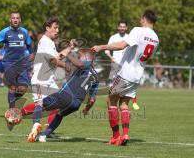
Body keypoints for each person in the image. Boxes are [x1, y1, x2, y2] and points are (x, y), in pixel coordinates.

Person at [91, 9, 159, 146]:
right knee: (124, 104)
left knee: (110, 100)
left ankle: (115, 137)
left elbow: (121, 45)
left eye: (141, 18)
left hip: (125, 73)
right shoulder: (156, 38)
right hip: (137, 75)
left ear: (144, 19)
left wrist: (102, 47)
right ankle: (125, 134)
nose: (140, 20)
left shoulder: (138, 30)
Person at [21, 48, 98, 143]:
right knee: (59, 114)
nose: (78, 59)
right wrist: (86, 110)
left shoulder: (86, 64)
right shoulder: (96, 77)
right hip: (76, 104)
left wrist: (67, 54)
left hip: (66, 96)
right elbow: (92, 100)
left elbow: (80, 64)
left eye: (80, 57)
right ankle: (43, 135)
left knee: (39, 103)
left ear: (86, 58)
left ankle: (35, 124)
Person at [22, 17, 77, 130]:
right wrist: (65, 65)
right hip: (39, 79)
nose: (57, 30)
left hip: (49, 80)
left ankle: (46, 129)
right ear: (47, 28)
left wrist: (70, 47)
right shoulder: (44, 41)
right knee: (40, 104)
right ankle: (34, 125)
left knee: (57, 105)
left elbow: (58, 56)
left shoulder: (50, 42)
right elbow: (53, 61)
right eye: (55, 28)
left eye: (58, 28)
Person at [0, 11, 34, 130]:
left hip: (22, 63)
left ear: (20, 20)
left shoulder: (25, 32)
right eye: (13, 18)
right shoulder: (4, 32)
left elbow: (30, 46)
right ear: (10, 20)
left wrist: (31, 56)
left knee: (24, 88)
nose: (15, 20)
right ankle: (11, 113)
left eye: (17, 18)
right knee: (12, 87)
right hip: (9, 63)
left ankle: (13, 103)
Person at [105, 20, 140, 110]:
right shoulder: (113, 37)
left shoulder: (129, 37)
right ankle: (111, 107)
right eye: (120, 26)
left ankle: (133, 102)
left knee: (127, 88)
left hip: (126, 67)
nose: (122, 28)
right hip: (116, 66)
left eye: (124, 26)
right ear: (118, 27)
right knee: (112, 88)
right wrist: (111, 58)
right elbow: (107, 51)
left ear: (126, 28)